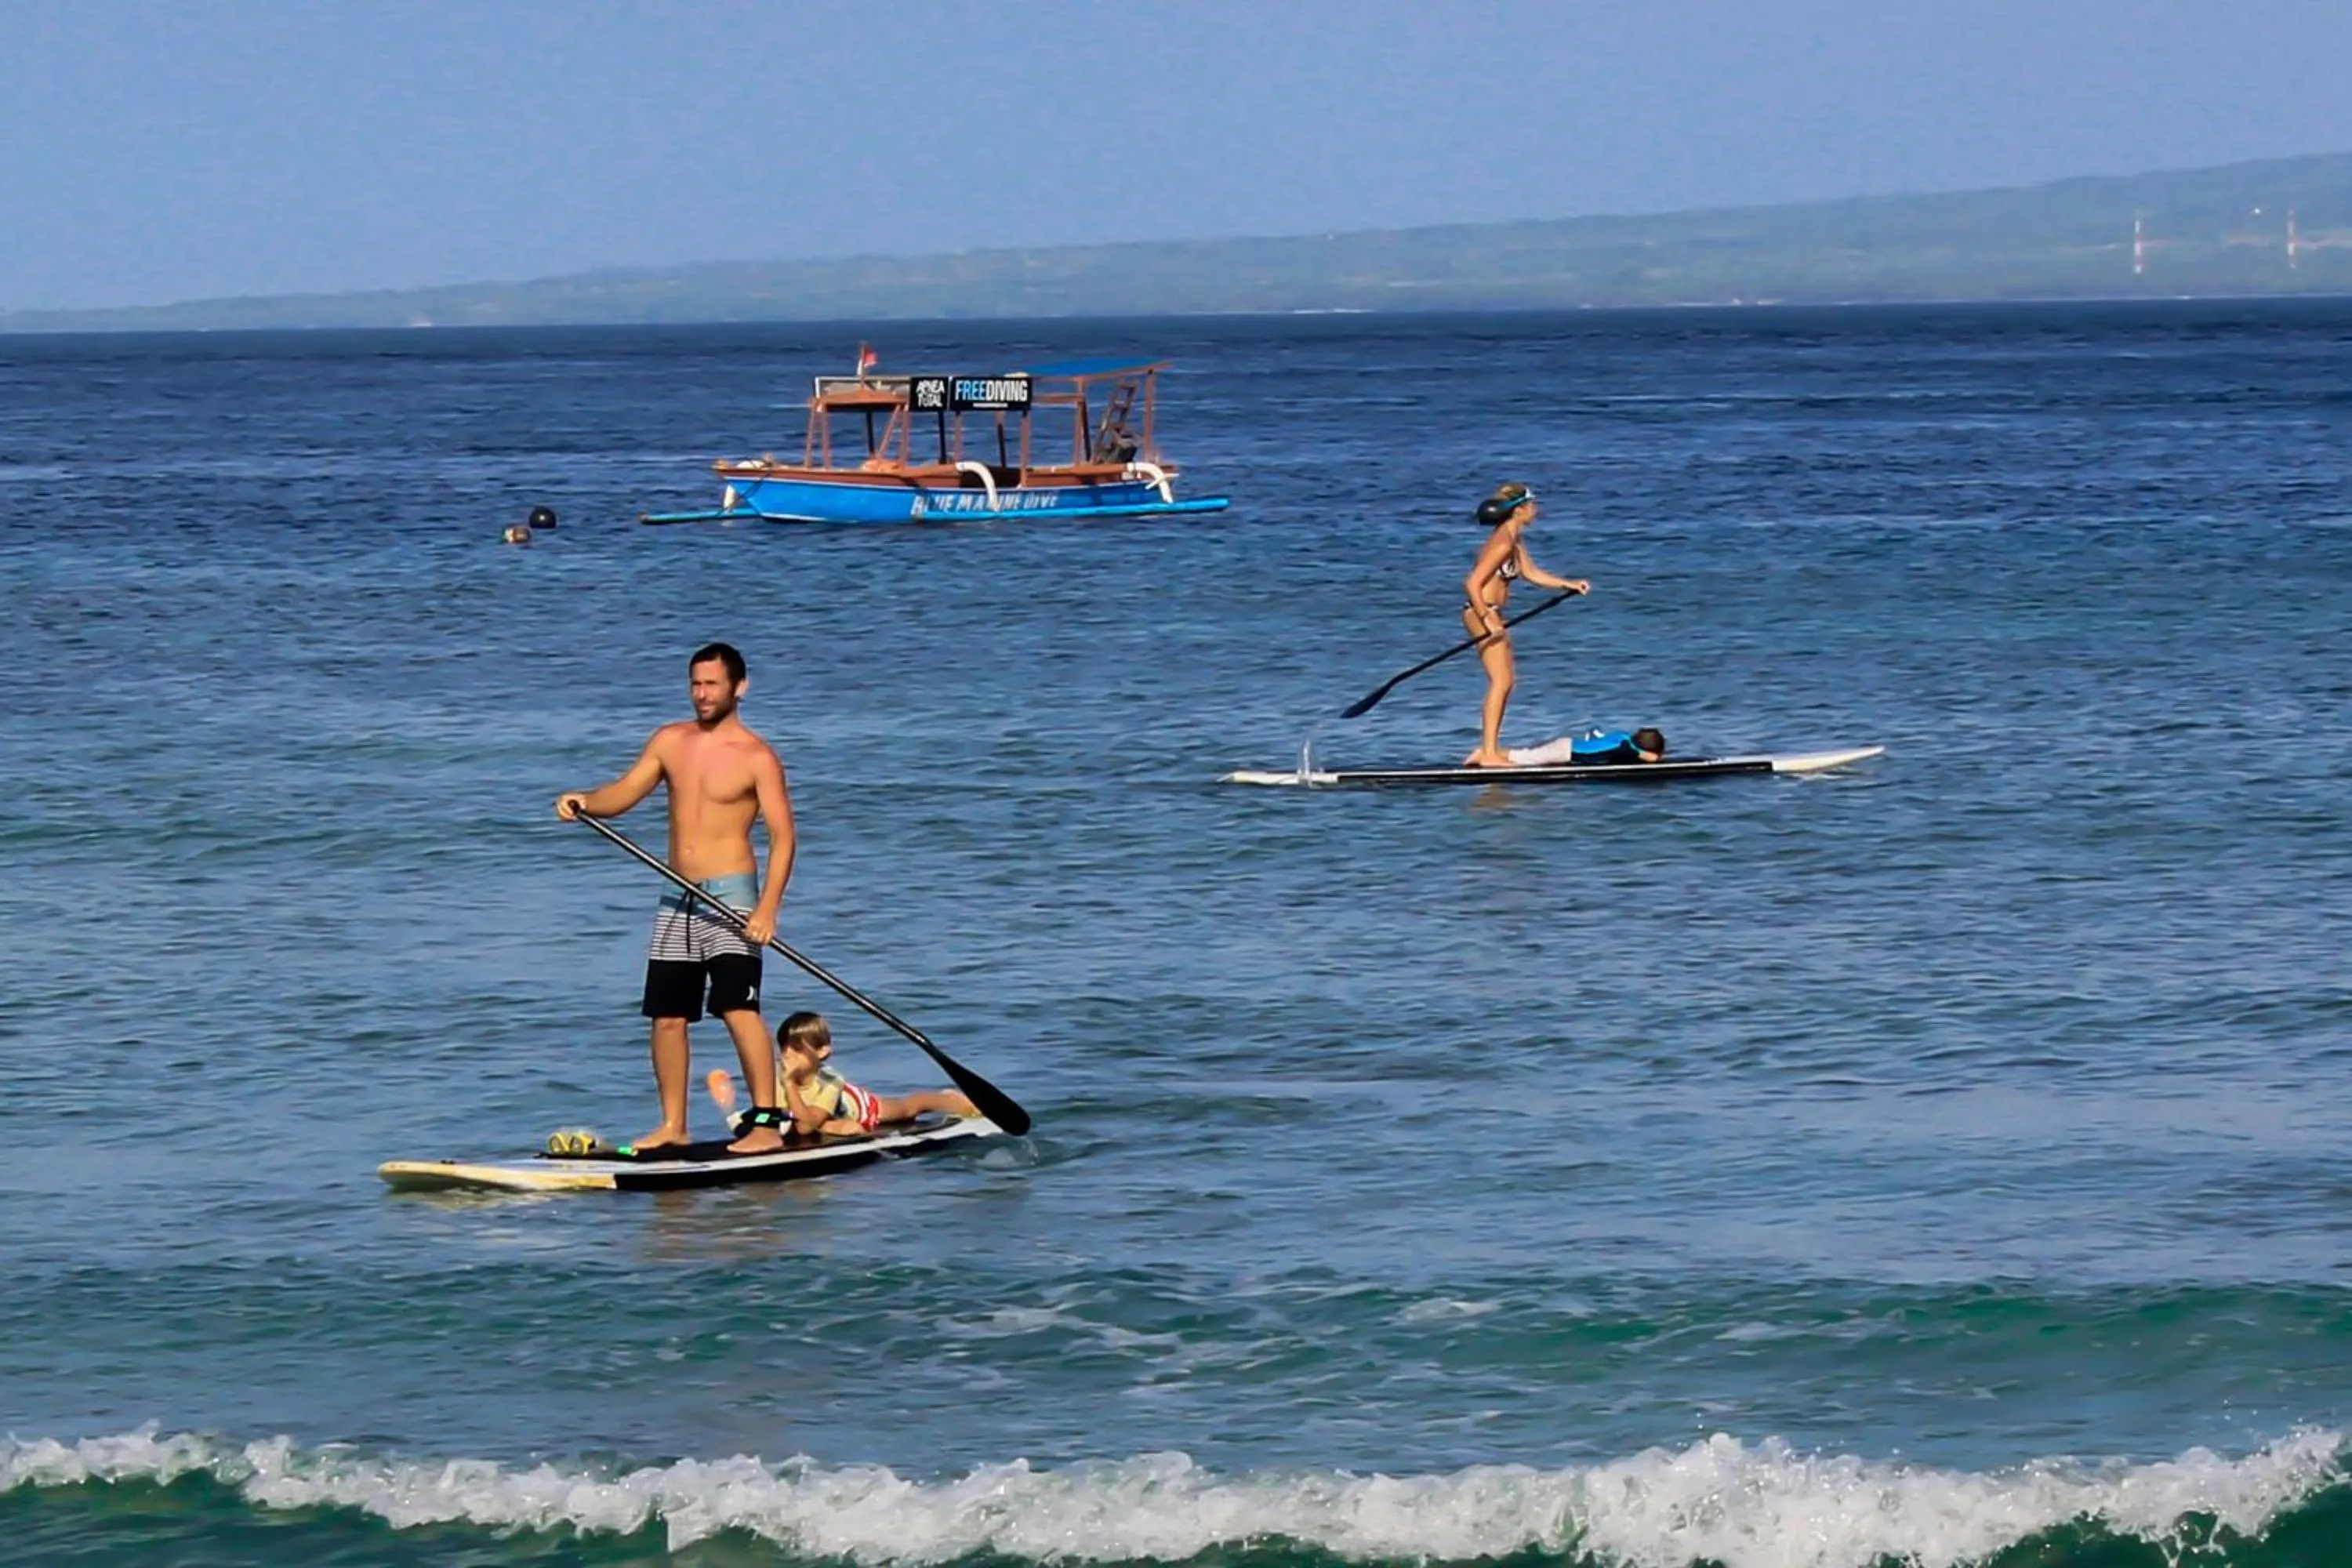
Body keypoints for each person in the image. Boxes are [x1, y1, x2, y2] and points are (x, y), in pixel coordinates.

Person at [555, 642, 795, 1155]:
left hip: (733, 898)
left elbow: (783, 838)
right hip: (676, 896)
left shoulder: (757, 757)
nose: (702, 694)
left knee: (737, 1009)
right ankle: (673, 1125)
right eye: (695, 684)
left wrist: (768, 908)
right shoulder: (670, 741)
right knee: (667, 1016)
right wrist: (586, 801)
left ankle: (767, 1126)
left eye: (712, 684)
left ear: (739, 687)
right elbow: (624, 792)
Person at [1462, 482, 1589, 767]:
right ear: (1518, 510)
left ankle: (1487, 750)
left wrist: (1568, 584)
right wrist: (1487, 616)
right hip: (1482, 613)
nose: (1536, 510)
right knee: (1501, 681)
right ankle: (1489, 754)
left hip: (1491, 613)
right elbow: (1472, 584)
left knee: (1508, 682)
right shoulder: (1503, 541)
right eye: (1532, 505)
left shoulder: (1513, 539)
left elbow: (1532, 574)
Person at [706, 1011, 977, 1139]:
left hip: (857, 1106)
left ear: (823, 1052)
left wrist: (791, 1091)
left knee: (911, 1107)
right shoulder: (776, 1075)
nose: (787, 1054)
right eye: (784, 1046)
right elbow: (776, 1114)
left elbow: (804, 1126)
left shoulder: (830, 1080)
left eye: (798, 1049)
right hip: (816, 1115)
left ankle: (955, 1101)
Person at [1507, 727, 1668, 766]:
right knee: (1521, 758)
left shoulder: (1622, 736)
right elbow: (1629, 751)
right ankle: (1486, 754)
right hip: (1564, 751)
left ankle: (1490, 753)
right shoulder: (1625, 746)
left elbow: (1596, 733)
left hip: (1566, 747)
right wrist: (1650, 758)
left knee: (1525, 755)